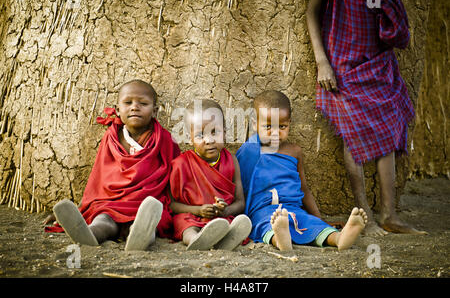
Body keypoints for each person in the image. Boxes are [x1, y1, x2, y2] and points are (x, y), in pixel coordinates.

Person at [306, 0, 427, 236]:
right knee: (354, 136)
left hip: (378, 59)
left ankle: (389, 213)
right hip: (343, 62)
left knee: (388, 132)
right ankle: (365, 216)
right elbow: (312, 11)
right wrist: (322, 62)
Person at [44, 79, 180, 251]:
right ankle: (90, 234)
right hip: (112, 203)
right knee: (103, 220)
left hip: (146, 202)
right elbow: (98, 177)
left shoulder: (164, 140)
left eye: (143, 103)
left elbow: (176, 176)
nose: (134, 107)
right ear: (117, 110)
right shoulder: (112, 138)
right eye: (128, 103)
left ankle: (141, 238)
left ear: (154, 111)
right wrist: (81, 209)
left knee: (148, 221)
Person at [237, 90, 367, 251]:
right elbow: (240, 188)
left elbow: (304, 189)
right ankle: (281, 239)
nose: (276, 133)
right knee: (266, 226)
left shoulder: (294, 151)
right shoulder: (249, 151)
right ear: (255, 124)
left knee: (312, 224)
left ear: (289, 123)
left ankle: (339, 238)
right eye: (268, 126)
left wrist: (320, 219)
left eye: (282, 126)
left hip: (293, 208)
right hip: (263, 210)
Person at [169, 99, 251, 251]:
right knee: (183, 223)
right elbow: (172, 205)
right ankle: (195, 240)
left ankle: (225, 239)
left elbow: (240, 202)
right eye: (200, 135)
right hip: (192, 216)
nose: (209, 140)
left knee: (235, 221)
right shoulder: (181, 163)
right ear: (189, 137)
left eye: (215, 132)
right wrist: (198, 210)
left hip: (221, 218)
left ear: (225, 132)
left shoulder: (231, 161)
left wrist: (225, 210)